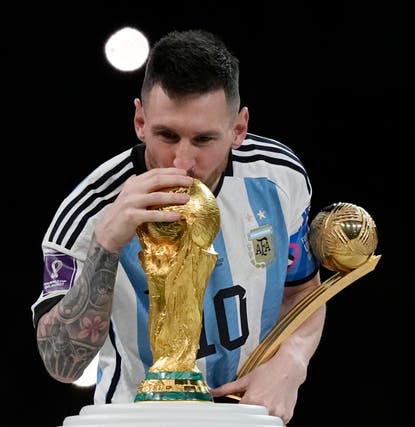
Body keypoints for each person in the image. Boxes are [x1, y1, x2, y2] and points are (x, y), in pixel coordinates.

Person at [31, 29, 325, 425]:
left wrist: (293, 359)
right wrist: (106, 244)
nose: (182, 162)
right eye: (167, 135)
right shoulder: (88, 214)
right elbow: (61, 363)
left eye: (204, 139)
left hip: (246, 419)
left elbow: (304, 290)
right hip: (132, 419)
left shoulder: (279, 178)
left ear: (239, 129)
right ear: (139, 120)